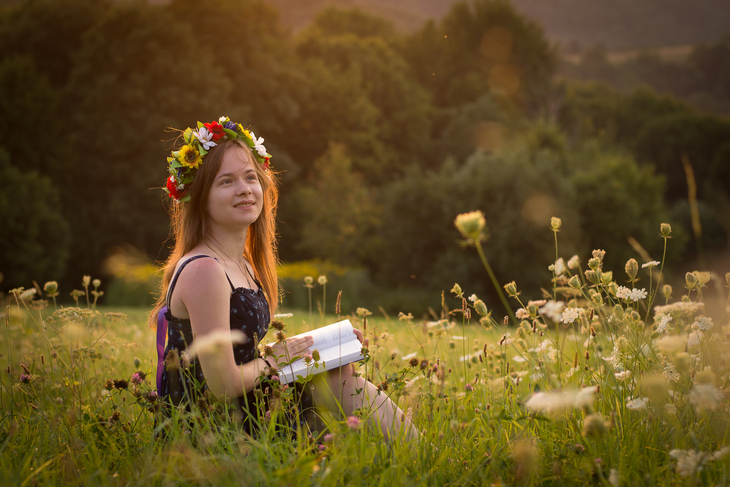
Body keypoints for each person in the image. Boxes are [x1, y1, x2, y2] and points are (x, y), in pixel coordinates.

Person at [149, 117, 417, 441]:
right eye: (227, 181)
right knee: (334, 388)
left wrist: (323, 347)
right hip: (212, 427)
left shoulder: (241, 263)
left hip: (246, 406)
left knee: (336, 371)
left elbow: (243, 355)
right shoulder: (204, 270)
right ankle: (419, 454)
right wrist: (276, 360)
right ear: (201, 196)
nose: (245, 189)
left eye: (250, 177)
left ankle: (401, 454)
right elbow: (221, 384)